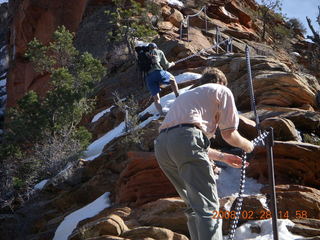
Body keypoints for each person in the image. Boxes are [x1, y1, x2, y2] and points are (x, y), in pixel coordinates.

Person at [154, 67, 254, 240]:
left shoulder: (186, 96)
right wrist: (249, 146)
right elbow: (229, 134)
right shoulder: (222, 90)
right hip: (185, 140)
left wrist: (223, 157)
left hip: (162, 145)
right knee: (209, 208)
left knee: (194, 206)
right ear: (221, 82)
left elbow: (185, 140)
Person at [146, 43, 179, 116]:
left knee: (156, 99)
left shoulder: (145, 55)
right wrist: (172, 64)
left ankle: (161, 113)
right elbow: (166, 65)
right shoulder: (159, 52)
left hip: (149, 77)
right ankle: (177, 96)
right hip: (158, 72)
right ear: (156, 47)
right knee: (172, 79)